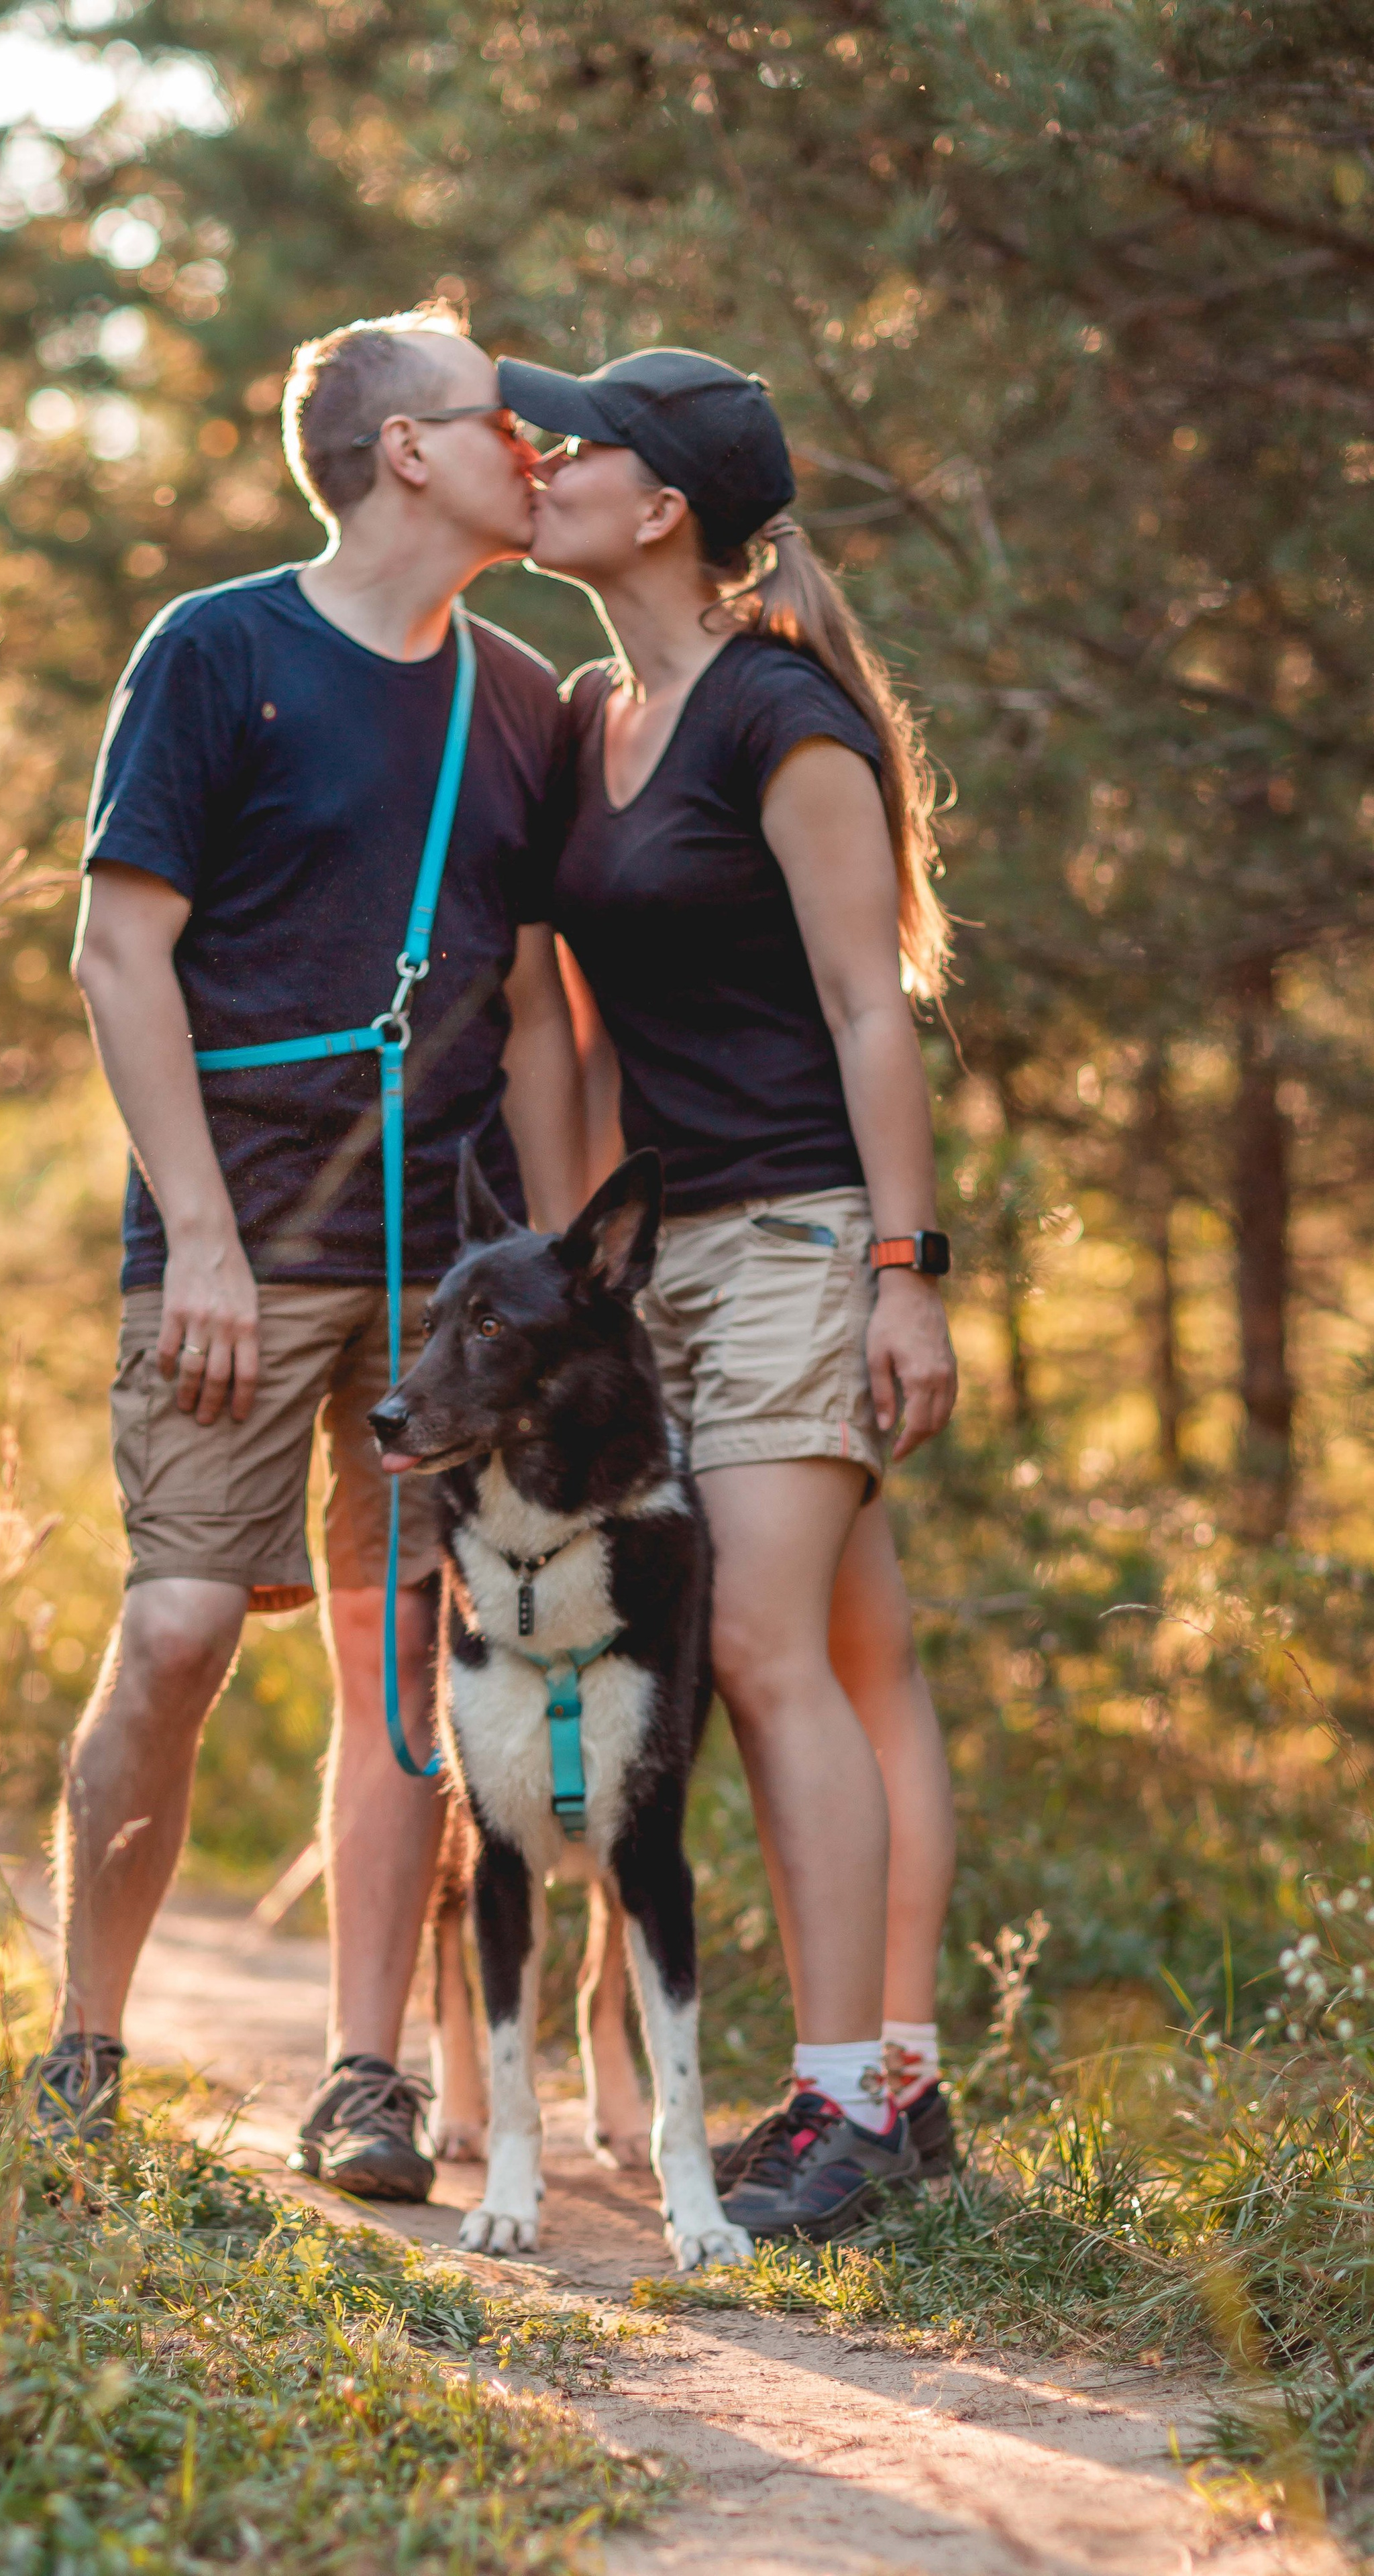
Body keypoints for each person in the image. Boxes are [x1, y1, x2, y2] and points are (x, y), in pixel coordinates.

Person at [38, 304, 585, 2200]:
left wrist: (569, 1279)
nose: (538, 446)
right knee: (185, 1623)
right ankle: (86, 2047)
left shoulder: (522, 701)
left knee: (405, 1665)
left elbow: (529, 1015)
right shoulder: (215, 652)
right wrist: (193, 1229)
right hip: (239, 1235)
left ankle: (367, 2083)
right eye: (501, 420)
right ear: (405, 453)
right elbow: (121, 954)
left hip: (452, 1266)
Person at [503, 345, 959, 2240]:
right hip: (670, 1255)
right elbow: (584, 1033)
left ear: (662, 502)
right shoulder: (602, 709)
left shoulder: (785, 718)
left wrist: (904, 1272)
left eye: (573, 442)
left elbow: (874, 1007)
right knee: (854, 1663)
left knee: (767, 1660)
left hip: (797, 1236)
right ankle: (898, 2096)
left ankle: (844, 2103)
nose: (538, 460)